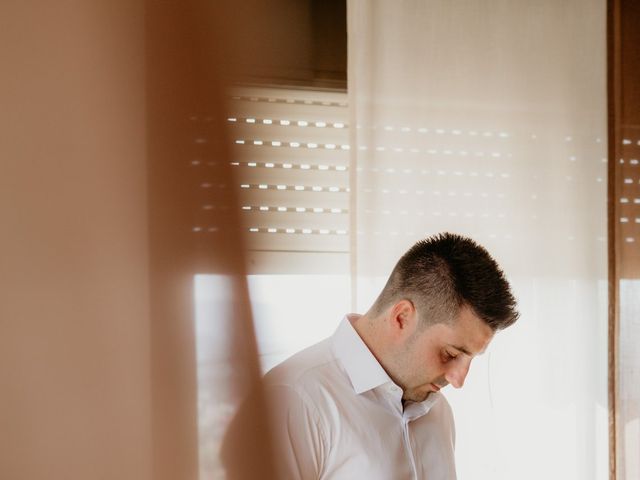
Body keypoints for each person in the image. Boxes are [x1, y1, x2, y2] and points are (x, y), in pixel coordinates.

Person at [263, 232, 519, 480]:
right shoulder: (292, 400)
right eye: (450, 354)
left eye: (470, 358)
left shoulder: (438, 412)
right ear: (401, 317)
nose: (458, 380)